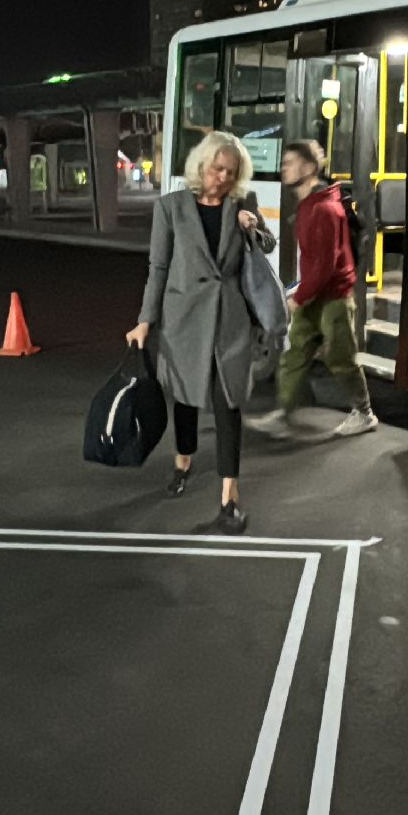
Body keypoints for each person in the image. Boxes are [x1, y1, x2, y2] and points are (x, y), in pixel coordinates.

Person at [125, 130, 274, 534]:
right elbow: (158, 268)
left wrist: (252, 225)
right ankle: (183, 460)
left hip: (228, 320)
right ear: (202, 166)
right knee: (186, 399)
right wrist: (145, 320)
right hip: (184, 318)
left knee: (228, 404)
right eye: (217, 168)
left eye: (232, 171)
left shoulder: (242, 205)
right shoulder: (171, 208)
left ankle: (230, 499)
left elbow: (269, 245)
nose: (223, 177)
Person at [252, 140, 377, 439]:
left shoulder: (323, 208)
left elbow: (324, 266)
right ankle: (283, 413)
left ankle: (364, 413)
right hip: (315, 293)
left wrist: (298, 298)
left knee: (341, 359)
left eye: (291, 162)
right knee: (295, 354)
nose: (284, 167)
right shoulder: (309, 203)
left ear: (308, 169)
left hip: (333, 296)